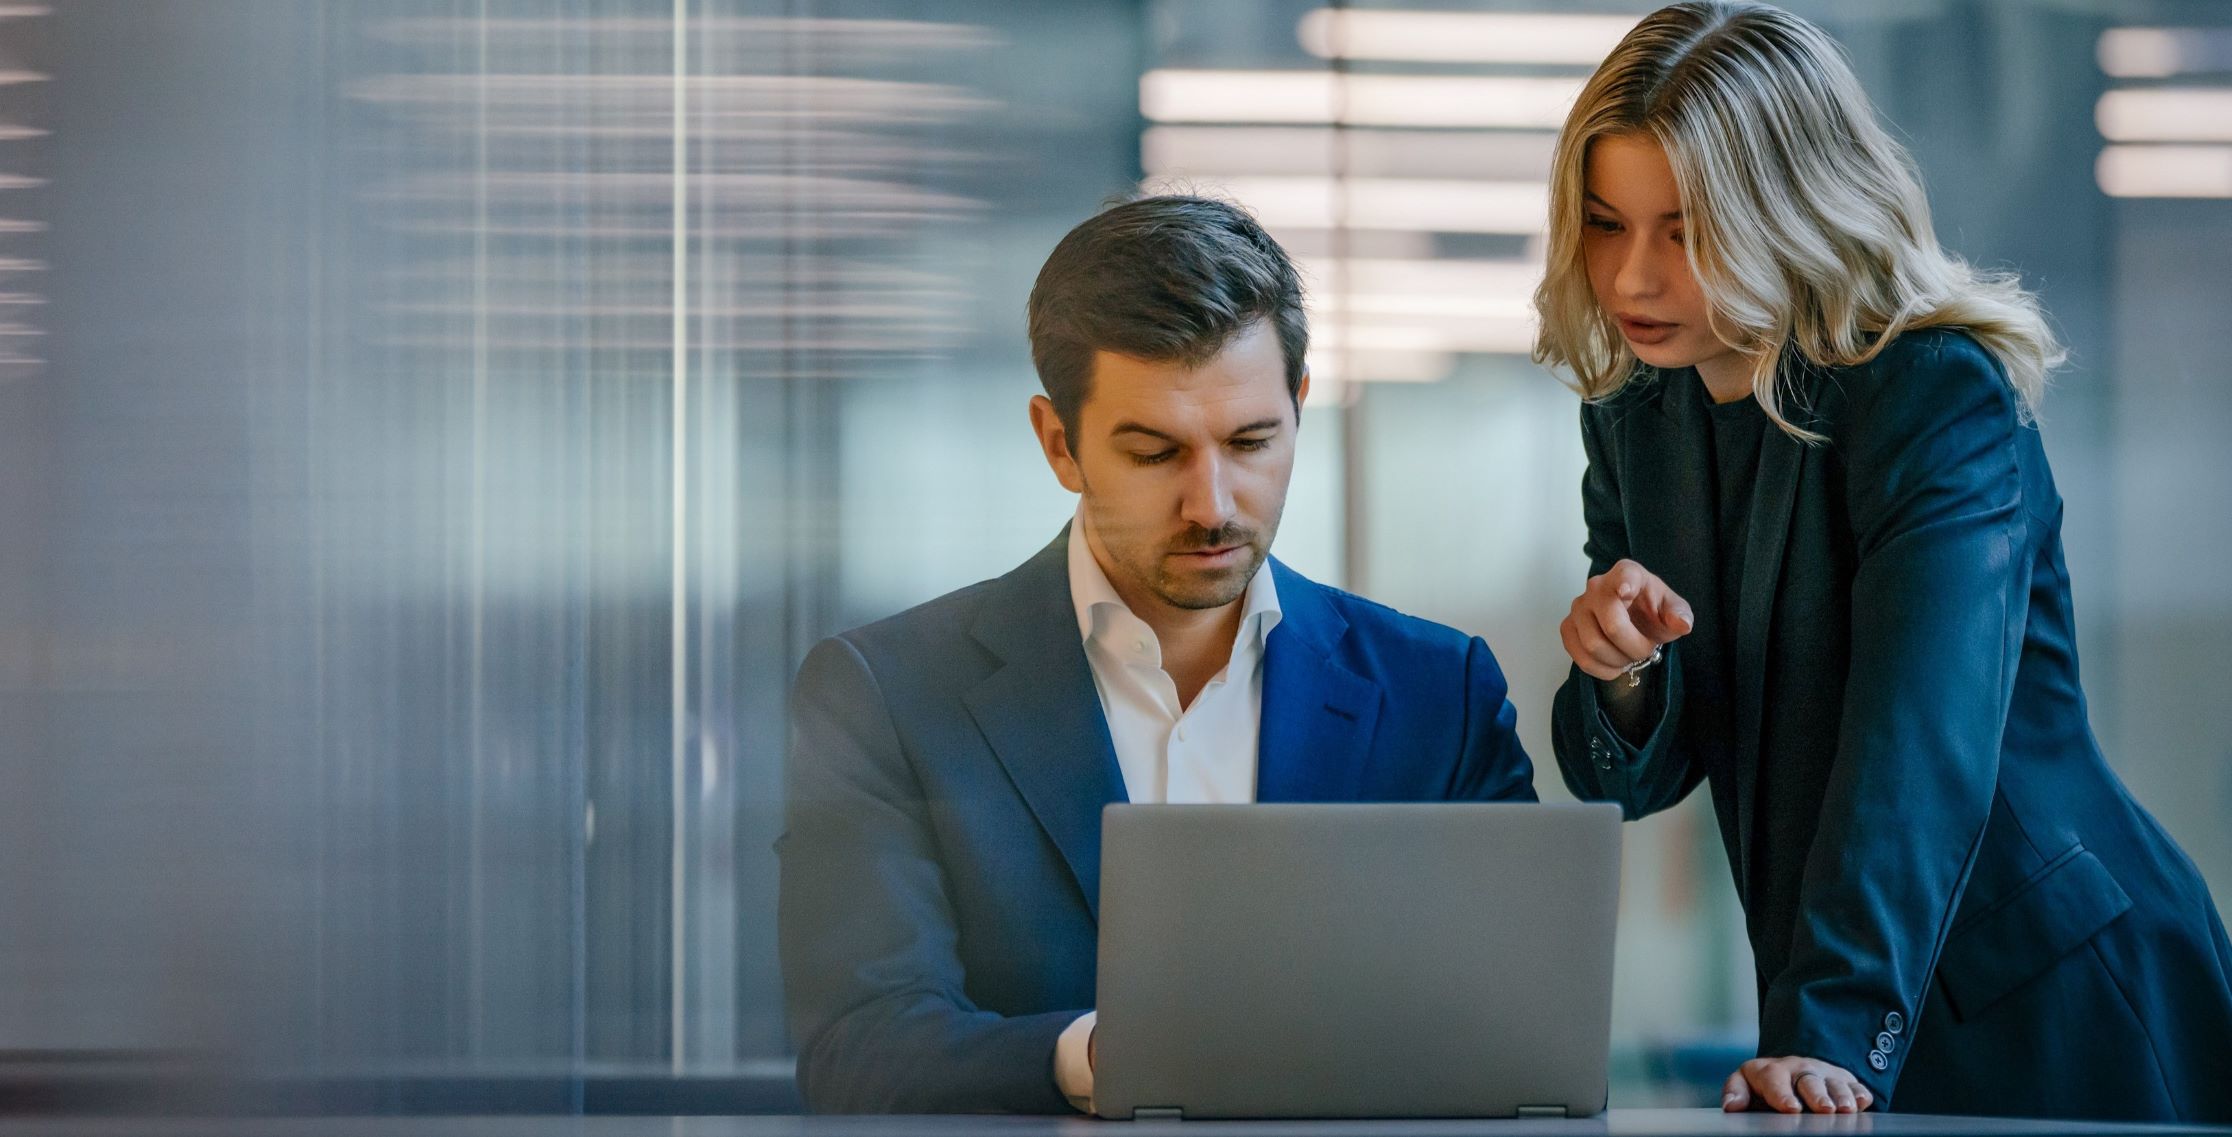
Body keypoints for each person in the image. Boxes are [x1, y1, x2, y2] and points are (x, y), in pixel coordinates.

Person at [1535, 1, 2232, 1123]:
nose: (1632, 280)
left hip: (2051, 996)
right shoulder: (1638, 414)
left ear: (1789, 212)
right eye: (1609, 225)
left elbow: (1923, 731)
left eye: (1686, 230)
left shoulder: (1934, 390)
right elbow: (1638, 775)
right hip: (1839, 1013)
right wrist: (1621, 669)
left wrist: (1832, 1025)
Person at [777, 194, 1536, 1114]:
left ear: (1300, 408)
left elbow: (1517, 1036)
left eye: (1252, 441)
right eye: (1154, 452)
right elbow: (858, 1048)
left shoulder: (1439, 696)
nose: (1212, 503)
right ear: (1060, 443)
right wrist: (1093, 1056)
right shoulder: (886, 697)